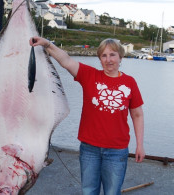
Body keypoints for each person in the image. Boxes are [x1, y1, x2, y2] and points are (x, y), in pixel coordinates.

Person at [29, 37, 145, 195]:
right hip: (90, 149)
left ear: (120, 57)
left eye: (112, 55)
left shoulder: (130, 82)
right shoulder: (89, 75)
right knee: (89, 191)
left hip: (117, 150)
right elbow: (66, 61)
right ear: (99, 58)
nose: (108, 60)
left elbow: (137, 115)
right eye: (104, 55)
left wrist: (140, 145)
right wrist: (47, 44)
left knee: (112, 192)